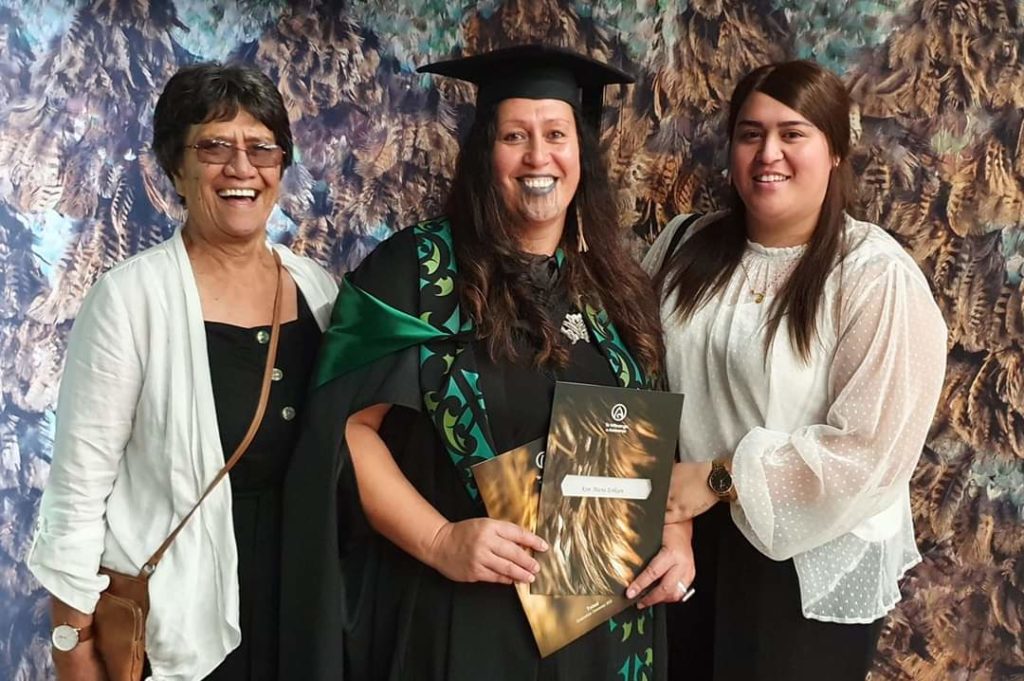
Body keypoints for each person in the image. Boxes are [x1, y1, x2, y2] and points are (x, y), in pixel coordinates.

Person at [278, 45, 684, 681]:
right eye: (514, 136)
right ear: (483, 155)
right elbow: (346, 428)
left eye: (556, 135)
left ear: (582, 153)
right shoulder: (417, 271)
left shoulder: (615, 286)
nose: (537, 157)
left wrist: (676, 536)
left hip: (601, 623)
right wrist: (440, 540)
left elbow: (648, 441)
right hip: (466, 617)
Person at [629, 60, 947, 681]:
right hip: (680, 533)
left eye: (792, 133)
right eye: (750, 133)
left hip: (804, 552)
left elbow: (869, 451)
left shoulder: (872, 276)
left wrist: (720, 478)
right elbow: (635, 368)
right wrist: (677, 509)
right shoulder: (684, 245)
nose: (768, 152)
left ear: (835, 151)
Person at [28, 63, 338, 681]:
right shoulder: (130, 299)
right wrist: (71, 643)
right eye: (215, 147)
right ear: (176, 167)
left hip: (301, 605)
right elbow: (78, 491)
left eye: (261, 148)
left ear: (281, 166)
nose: (241, 168)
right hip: (180, 622)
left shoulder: (318, 289)